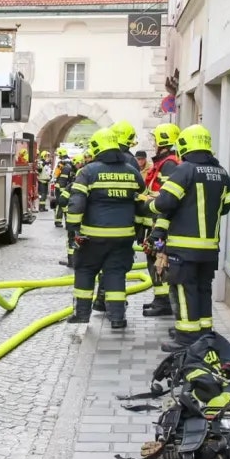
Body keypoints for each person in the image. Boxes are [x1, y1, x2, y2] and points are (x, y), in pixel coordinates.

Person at [148, 124, 230, 351]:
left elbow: (166, 203)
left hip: (183, 247)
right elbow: (225, 208)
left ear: (185, 145)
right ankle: (204, 333)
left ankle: (186, 338)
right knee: (203, 289)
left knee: (185, 290)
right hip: (209, 248)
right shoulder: (223, 173)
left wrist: (150, 204)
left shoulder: (185, 170)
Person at [64, 128, 145, 329]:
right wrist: (140, 229)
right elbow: (142, 198)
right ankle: (118, 318)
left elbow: (76, 203)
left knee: (85, 271)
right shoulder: (132, 172)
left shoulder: (88, 172)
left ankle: (82, 315)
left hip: (92, 236)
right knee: (116, 274)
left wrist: (73, 229)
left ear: (97, 148)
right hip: (124, 236)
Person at [139, 123, 181, 318]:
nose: (154, 143)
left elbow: (167, 196)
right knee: (152, 258)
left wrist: (147, 201)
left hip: (161, 221)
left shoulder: (170, 164)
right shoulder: (163, 162)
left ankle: (163, 302)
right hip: (154, 220)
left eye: (156, 139)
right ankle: (160, 299)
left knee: (158, 260)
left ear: (163, 141)